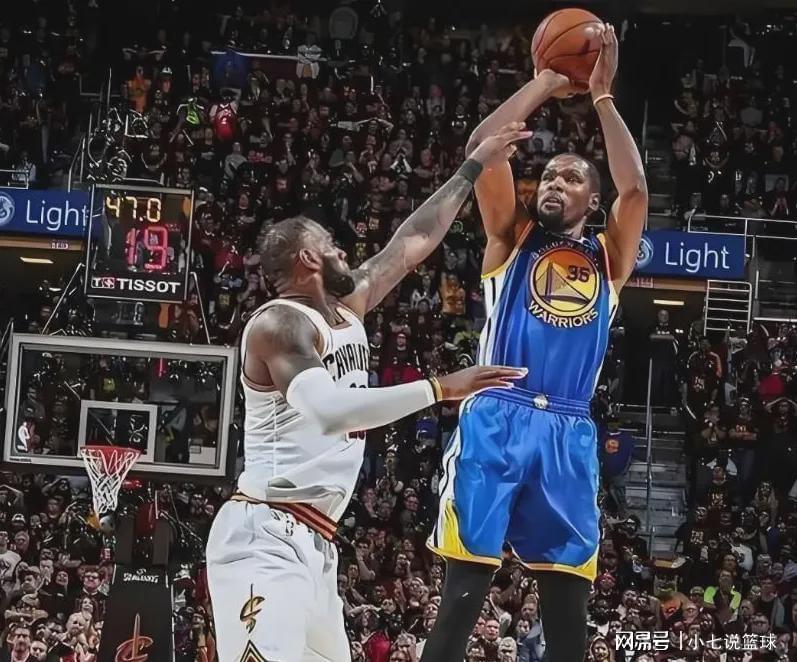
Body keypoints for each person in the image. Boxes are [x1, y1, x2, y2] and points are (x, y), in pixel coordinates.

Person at [205, 125, 531, 662]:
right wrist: (438, 388)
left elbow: (411, 242)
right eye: (330, 245)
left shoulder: (347, 307)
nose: (342, 250)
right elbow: (329, 412)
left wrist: (471, 168)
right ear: (308, 259)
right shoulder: (279, 325)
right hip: (265, 535)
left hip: (317, 540)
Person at [422, 24, 647, 662]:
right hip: (498, 414)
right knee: (463, 594)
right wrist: (545, 81)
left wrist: (601, 97)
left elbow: (635, 190)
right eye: (548, 175)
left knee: (568, 611)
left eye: (570, 179)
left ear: (592, 200)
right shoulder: (510, 238)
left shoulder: (609, 257)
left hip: (568, 428)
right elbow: (483, 150)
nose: (553, 182)